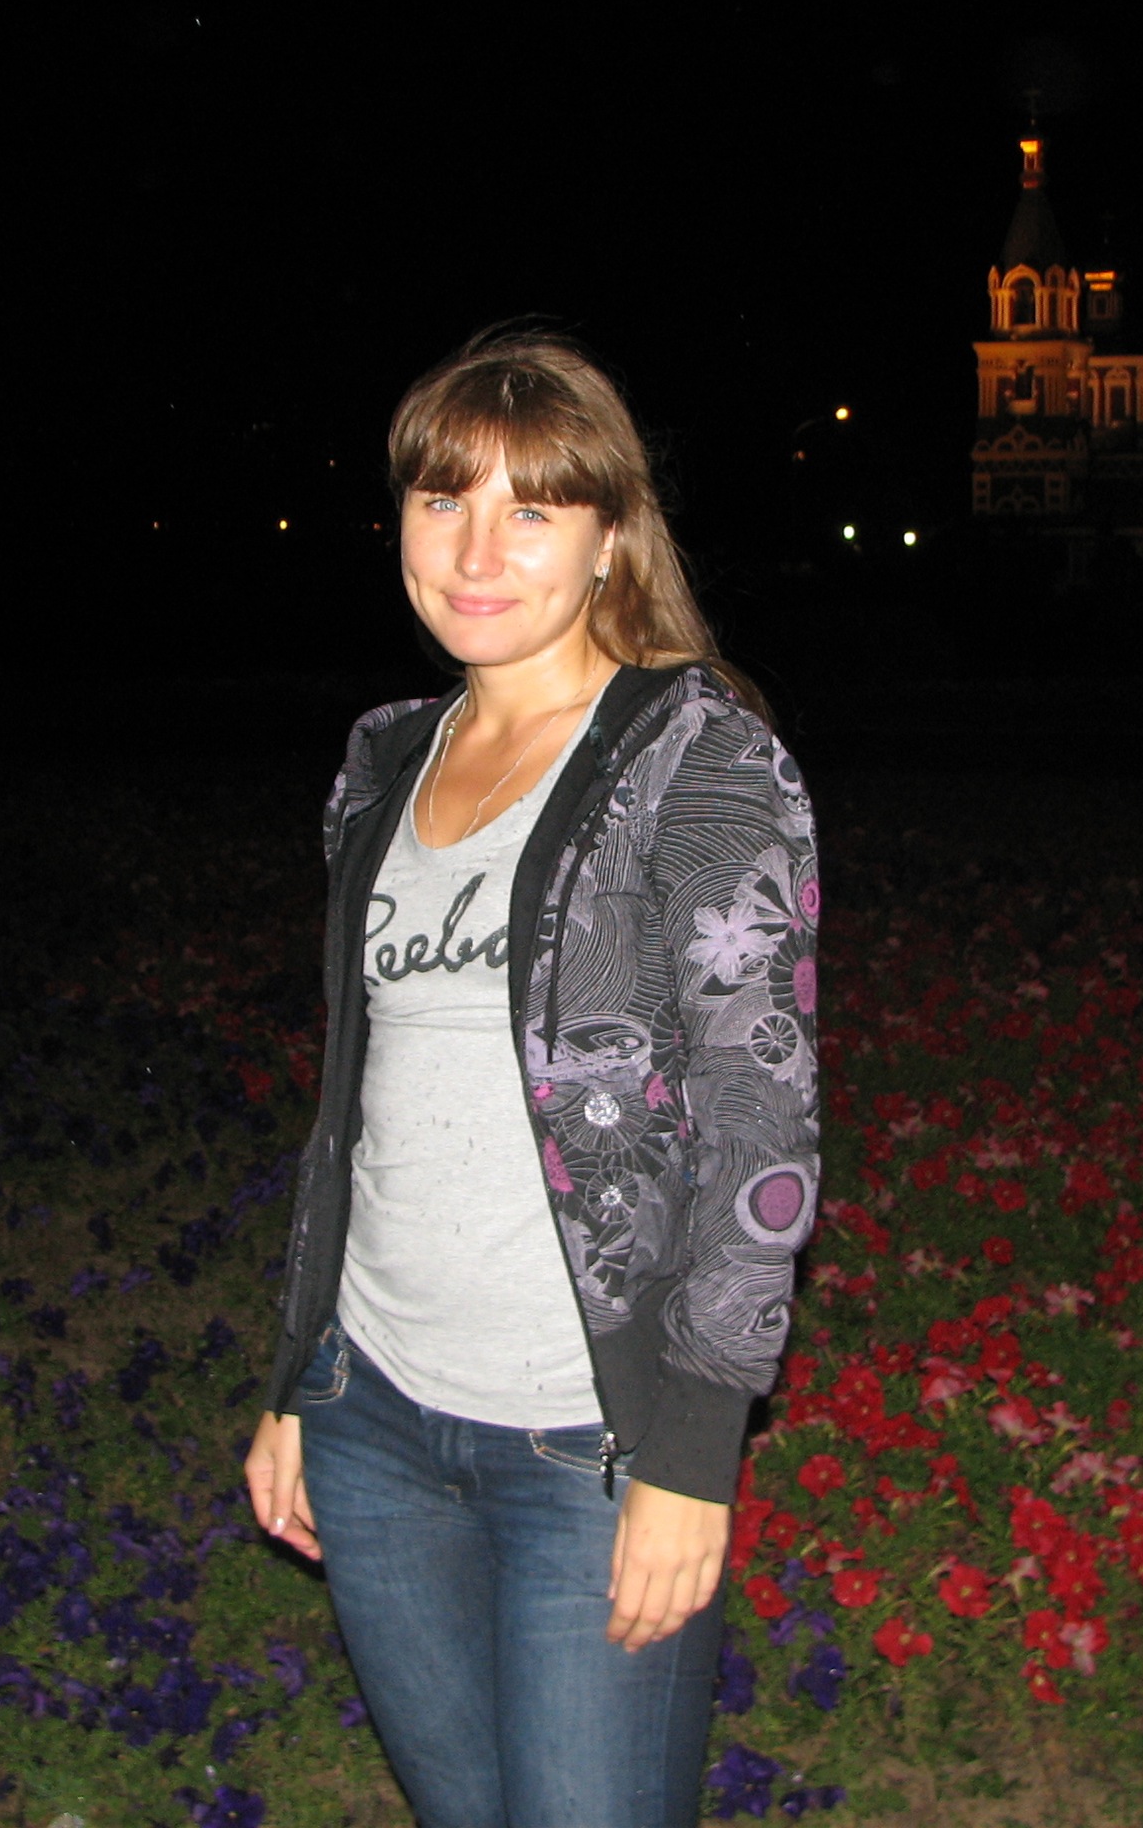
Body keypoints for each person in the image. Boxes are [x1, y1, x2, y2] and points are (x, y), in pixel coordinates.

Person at [243, 327, 821, 1827]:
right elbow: (353, 1107)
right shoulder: (384, 761)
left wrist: (692, 1455)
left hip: (588, 1441)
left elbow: (761, 1124)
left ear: (610, 536)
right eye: (443, 500)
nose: (476, 549)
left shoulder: (692, 759)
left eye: (533, 507)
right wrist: (301, 1378)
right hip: (372, 1412)